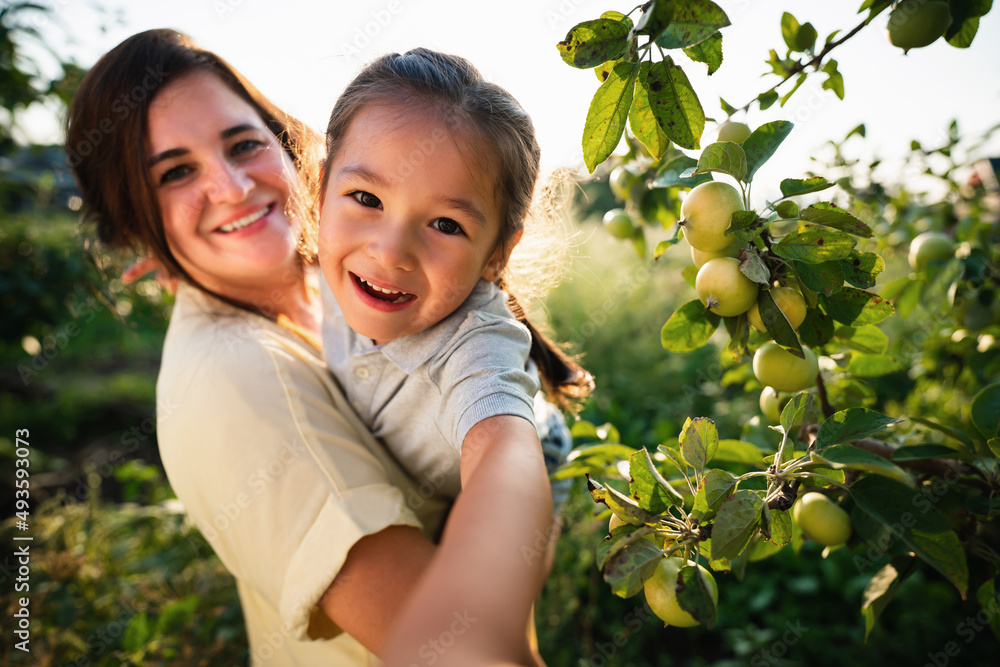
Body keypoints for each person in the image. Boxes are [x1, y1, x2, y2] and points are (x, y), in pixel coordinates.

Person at [65, 29, 554, 666]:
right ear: (138, 225)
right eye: (176, 173)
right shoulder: (228, 381)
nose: (235, 188)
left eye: (243, 144)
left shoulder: (350, 287)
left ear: (286, 146)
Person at [314, 49, 594, 665]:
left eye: (444, 224)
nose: (390, 252)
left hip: (533, 454)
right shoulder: (320, 264)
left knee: (499, 629)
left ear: (497, 254)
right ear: (320, 188)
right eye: (366, 197)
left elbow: (502, 451)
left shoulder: (476, 344)